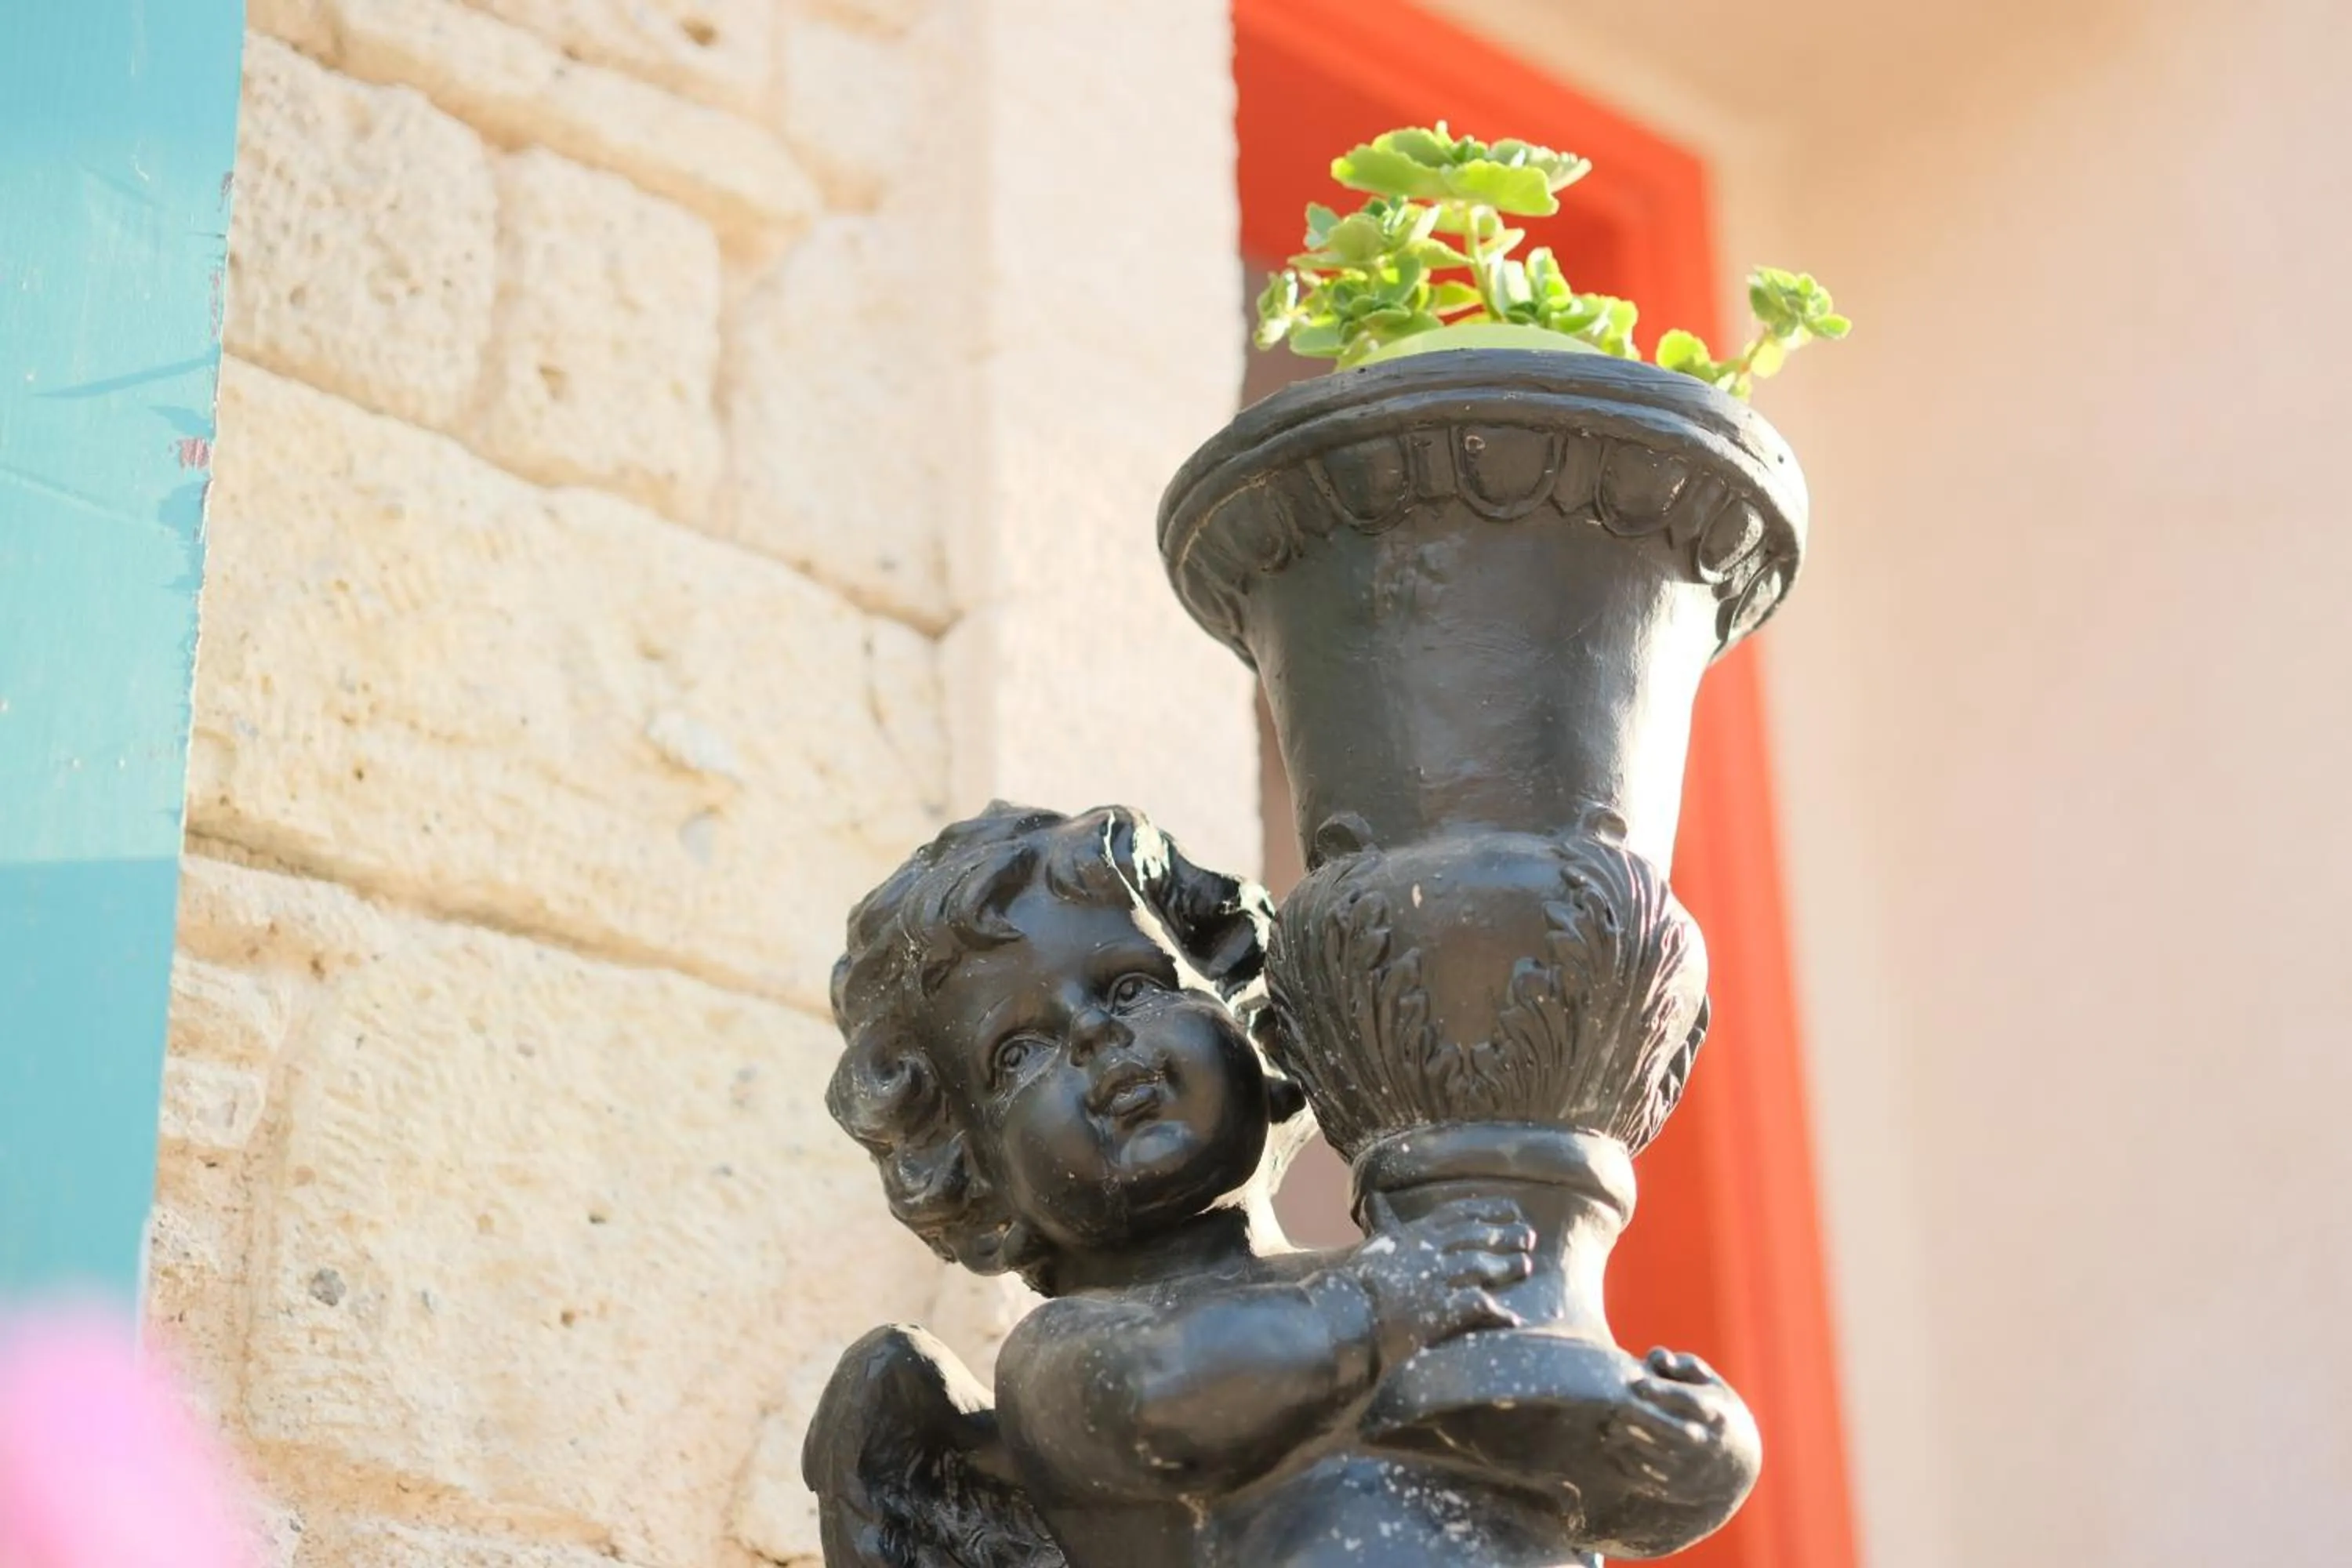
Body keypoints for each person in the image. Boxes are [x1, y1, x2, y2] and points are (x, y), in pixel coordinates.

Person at [808, 803, 1604, 1568]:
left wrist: (1683, 1448)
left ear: (1248, 1018)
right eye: (1018, 1052)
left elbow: (1561, 1486)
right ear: (972, 1171)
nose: (1093, 1034)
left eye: (1133, 986)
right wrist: (1375, 1309)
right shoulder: (1063, 1354)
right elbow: (1170, 1390)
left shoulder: (1399, 1280)